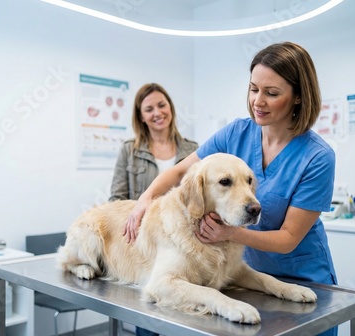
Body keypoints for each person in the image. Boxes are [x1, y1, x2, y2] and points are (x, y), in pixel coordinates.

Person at [124, 42, 337, 336]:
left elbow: (288, 238)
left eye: (272, 93)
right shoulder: (237, 132)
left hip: (302, 276)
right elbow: (180, 171)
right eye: (253, 89)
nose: (257, 102)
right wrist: (144, 199)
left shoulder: (317, 157)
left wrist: (230, 233)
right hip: (245, 274)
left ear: (298, 97)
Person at [109, 82, 198, 336]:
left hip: (183, 244)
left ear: (170, 107)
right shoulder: (130, 150)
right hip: (145, 245)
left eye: (162, 105)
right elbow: (117, 199)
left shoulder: (192, 150)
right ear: (140, 116)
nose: (157, 112)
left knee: (185, 315)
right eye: (149, 109)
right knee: (149, 315)